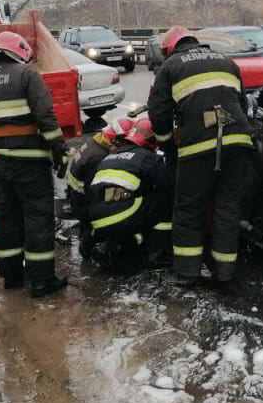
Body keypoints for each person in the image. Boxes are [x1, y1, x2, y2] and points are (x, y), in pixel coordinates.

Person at [0, 31, 68, 298]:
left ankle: (11, 276)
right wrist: (59, 150)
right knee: (37, 217)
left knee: (6, 219)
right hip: (30, 160)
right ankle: (42, 281)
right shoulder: (26, 75)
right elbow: (45, 116)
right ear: (18, 51)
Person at [147, 26, 253, 286]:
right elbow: (242, 103)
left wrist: (168, 149)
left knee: (187, 209)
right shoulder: (226, 61)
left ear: (169, 48)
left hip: (198, 148)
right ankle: (225, 274)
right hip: (238, 142)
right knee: (227, 208)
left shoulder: (170, 66)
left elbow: (158, 115)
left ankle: (186, 274)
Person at [84, 118, 173, 272]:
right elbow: (170, 185)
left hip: (97, 221)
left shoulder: (109, 156)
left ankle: (108, 245)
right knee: (166, 200)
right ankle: (157, 250)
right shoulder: (148, 157)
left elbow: (88, 191)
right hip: (123, 218)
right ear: (151, 140)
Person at [63, 117, 124, 258]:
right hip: (83, 197)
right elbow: (96, 189)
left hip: (76, 193)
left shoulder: (95, 143)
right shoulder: (98, 157)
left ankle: (87, 248)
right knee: (91, 226)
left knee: (86, 225)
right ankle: (88, 252)